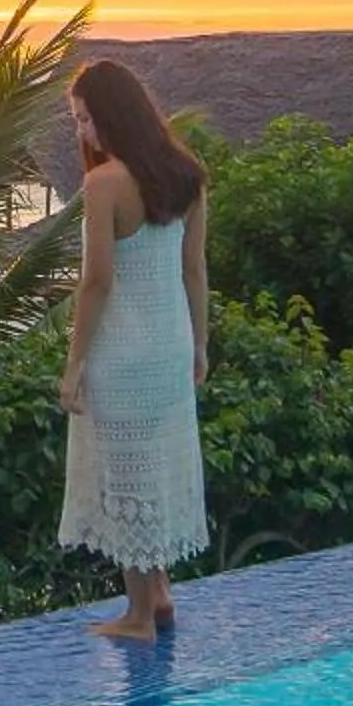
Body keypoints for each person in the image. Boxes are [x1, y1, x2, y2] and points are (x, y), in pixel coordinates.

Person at [56, 57, 210, 641]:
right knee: (158, 464)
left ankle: (139, 615)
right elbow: (194, 270)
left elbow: (97, 282)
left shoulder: (103, 185)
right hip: (170, 346)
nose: (82, 132)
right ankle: (161, 595)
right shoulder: (187, 175)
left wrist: (73, 366)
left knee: (127, 474)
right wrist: (199, 344)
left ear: (114, 117)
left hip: (122, 353)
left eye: (87, 119)